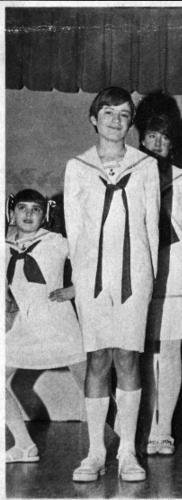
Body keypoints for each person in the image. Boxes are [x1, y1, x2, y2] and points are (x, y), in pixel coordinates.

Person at [64, 87, 160, 482]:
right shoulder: (78, 167)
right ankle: (95, 452)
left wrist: (147, 280)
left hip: (135, 276)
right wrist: (81, 280)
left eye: (124, 114)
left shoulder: (146, 166)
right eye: (108, 113)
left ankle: (128, 451)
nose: (116, 121)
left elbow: (150, 226)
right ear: (93, 119)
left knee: (127, 358)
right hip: (93, 278)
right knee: (98, 359)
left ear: (130, 122)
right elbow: (74, 229)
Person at [134, 91, 182, 455]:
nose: (157, 143)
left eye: (164, 137)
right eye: (151, 136)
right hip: (138, 269)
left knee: (171, 350)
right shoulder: (130, 175)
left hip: (174, 269)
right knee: (142, 352)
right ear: (140, 138)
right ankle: (142, 425)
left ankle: (163, 430)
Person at [5, 189, 86, 463]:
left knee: (92, 387)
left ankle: (126, 446)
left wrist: (76, 289)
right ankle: (25, 446)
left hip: (59, 324)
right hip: (23, 327)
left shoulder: (57, 241)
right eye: (23, 208)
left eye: (35, 209)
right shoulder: (4, 244)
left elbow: (93, 261)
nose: (28, 214)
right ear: (12, 212)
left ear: (45, 214)